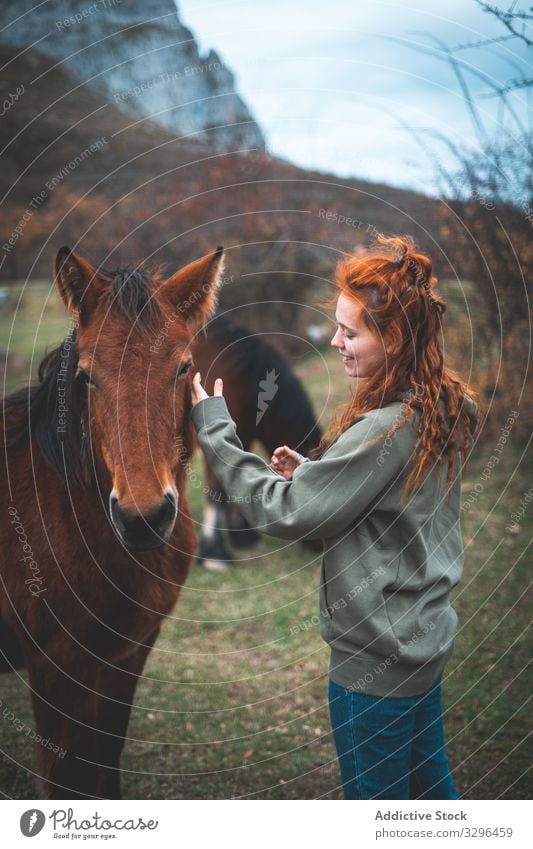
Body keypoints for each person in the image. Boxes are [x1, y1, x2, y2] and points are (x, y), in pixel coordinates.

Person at [189, 234, 480, 800]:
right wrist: (316, 472)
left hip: (374, 668)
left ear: (393, 338)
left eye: (352, 331)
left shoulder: (384, 430)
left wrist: (217, 431)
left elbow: (289, 514)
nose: (337, 342)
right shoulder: (442, 405)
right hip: (420, 641)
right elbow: (387, 495)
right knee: (427, 793)